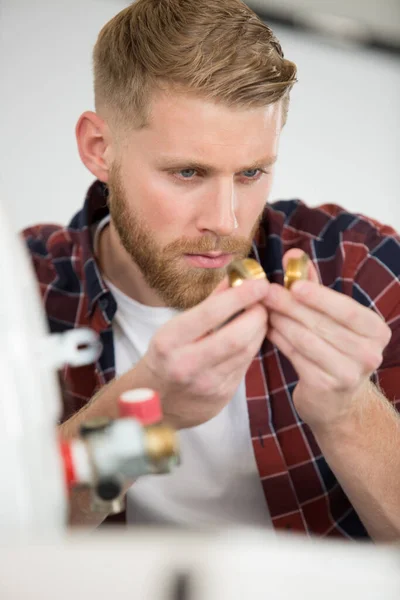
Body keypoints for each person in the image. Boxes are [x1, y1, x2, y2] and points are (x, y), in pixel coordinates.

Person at [23, 0, 400, 540]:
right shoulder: (22, 288)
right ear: (99, 149)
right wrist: (146, 413)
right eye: (187, 172)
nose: (225, 221)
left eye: (251, 173)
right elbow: (11, 537)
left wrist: (346, 412)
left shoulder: (359, 265)